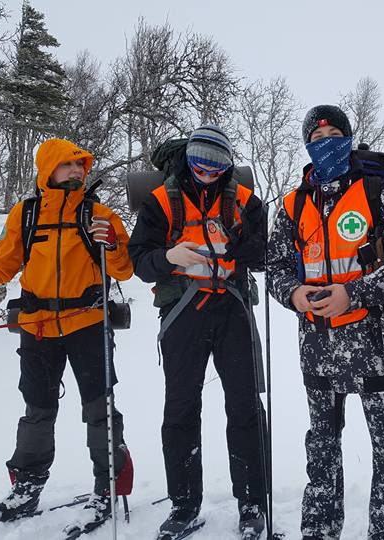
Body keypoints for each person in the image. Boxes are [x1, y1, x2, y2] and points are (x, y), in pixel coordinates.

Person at [0, 138, 134, 536]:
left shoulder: (100, 214)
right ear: (47, 169)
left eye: (80, 165)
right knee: (37, 410)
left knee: (99, 408)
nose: (76, 171)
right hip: (37, 327)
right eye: (67, 165)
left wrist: (113, 245)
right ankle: (27, 488)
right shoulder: (25, 214)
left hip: (87, 323)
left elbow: (123, 271)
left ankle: (107, 487)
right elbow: (1, 268)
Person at [265, 105, 384, 540]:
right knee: (321, 446)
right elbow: (275, 267)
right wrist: (294, 294)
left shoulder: (378, 193)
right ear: (307, 146)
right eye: (316, 138)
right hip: (316, 349)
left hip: (372, 345)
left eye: (334, 133)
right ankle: (318, 530)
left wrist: (354, 293)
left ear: (348, 138)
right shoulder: (292, 204)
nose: (325, 142)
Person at [127, 125, 269, 540]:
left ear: (228, 164)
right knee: (180, 409)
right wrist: (169, 256)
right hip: (182, 312)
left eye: (217, 163)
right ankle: (184, 505)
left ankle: (252, 503)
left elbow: (264, 253)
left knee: (244, 407)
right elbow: (139, 260)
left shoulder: (245, 201)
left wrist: (235, 247)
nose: (207, 171)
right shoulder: (159, 202)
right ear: (188, 158)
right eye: (200, 161)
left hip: (233, 309)